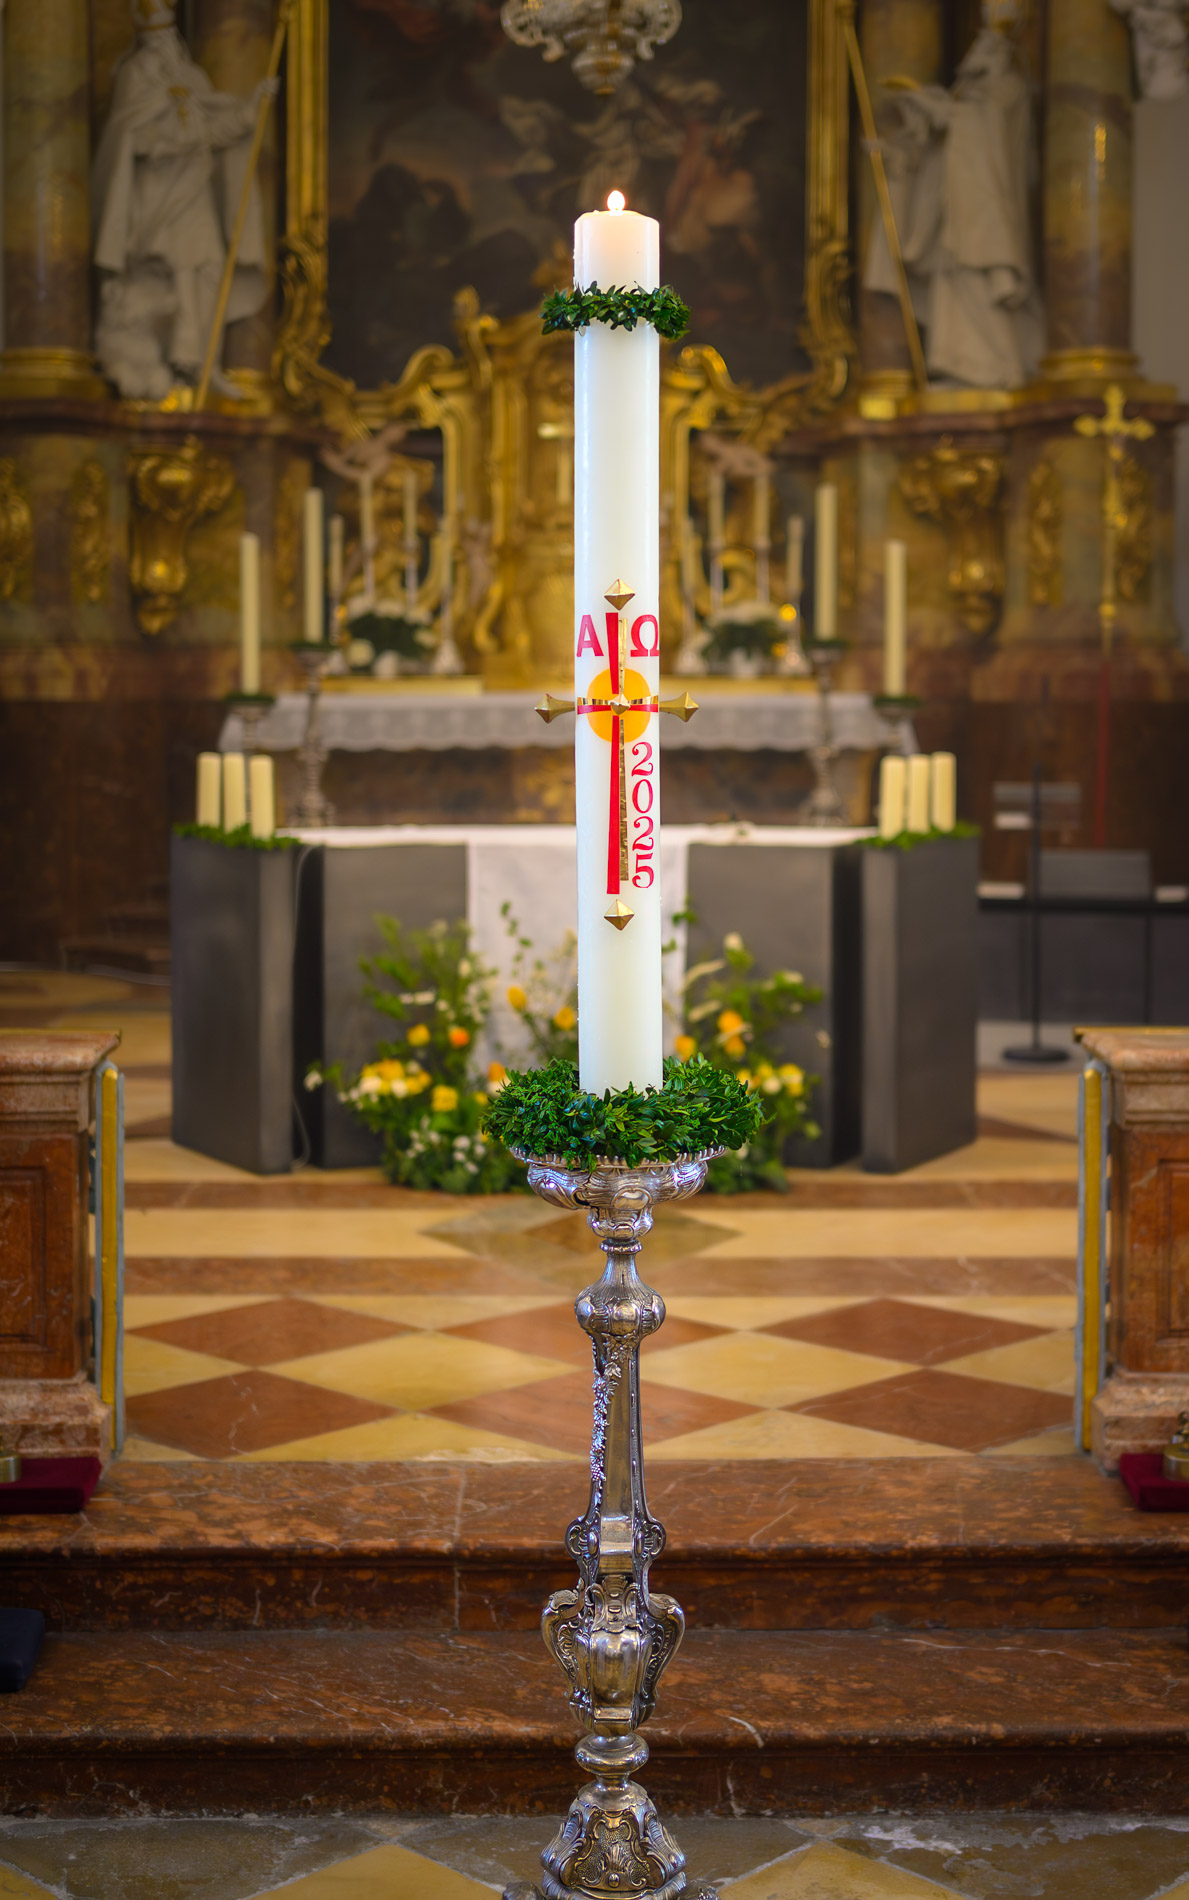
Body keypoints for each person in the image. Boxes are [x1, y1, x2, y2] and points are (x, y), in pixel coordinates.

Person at [92, 0, 275, 400]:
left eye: (167, 35)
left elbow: (215, 128)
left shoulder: (191, 76)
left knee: (207, 270)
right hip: (157, 196)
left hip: (195, 192)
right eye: (154, 36)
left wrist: (251, 109)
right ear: (142, 34)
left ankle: (203, 362)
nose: (162, 44)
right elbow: (132, 139)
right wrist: (177, 141)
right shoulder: (135, 75)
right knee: (173, 276)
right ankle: (177, 363)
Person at [864, 10, 1043, 389]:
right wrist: (903, 151)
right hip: (956, 210)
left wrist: (945, 114)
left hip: (984, 209)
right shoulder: (975, 97)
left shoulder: (1008, 89)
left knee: (978, 279)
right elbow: (941, 151)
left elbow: (987, 132)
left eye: (987, 50)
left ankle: (995, 367)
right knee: (953, 283)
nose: (976, 59)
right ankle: (962, 364)